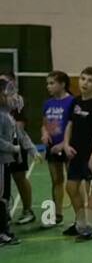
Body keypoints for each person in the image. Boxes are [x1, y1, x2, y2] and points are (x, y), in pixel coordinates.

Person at [62, 67, 92, 242]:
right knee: (71, 187)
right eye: (82, 79)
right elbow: (69, 125)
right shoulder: (75, 101)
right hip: (75, 153)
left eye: (89, 80)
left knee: (91, 188)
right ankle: (80, 223)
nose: (85, 83)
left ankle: (91, 228)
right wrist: (66, 144)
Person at [41, 71, 75, 228]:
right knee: (56, 180)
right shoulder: (47, 103)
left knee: (73, 182)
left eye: (52, 83)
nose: (48, 86)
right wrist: (45, 133)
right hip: (51, 148)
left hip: (68, 147)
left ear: (62, 84)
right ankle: (57, 214)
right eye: (47, 83)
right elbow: (45, 123)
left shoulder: (72, 102)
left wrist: (63, 144)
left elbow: (74, 126)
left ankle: (79, 214)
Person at [4, 73, 39, 225]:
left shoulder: (17, 101)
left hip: (15, 146)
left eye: (8, 82)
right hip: (3, 148)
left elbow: (20, 128)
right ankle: (4, 212)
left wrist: (28, 148)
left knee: (19, 177)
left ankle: (27, 210)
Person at [0, 76, 22, 245]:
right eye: (9, 93)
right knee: (1, 196)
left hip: (5, 161)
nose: (13, 97)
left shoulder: (6, 114)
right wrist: (14, 148)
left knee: (5, 195)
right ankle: (2, 232)